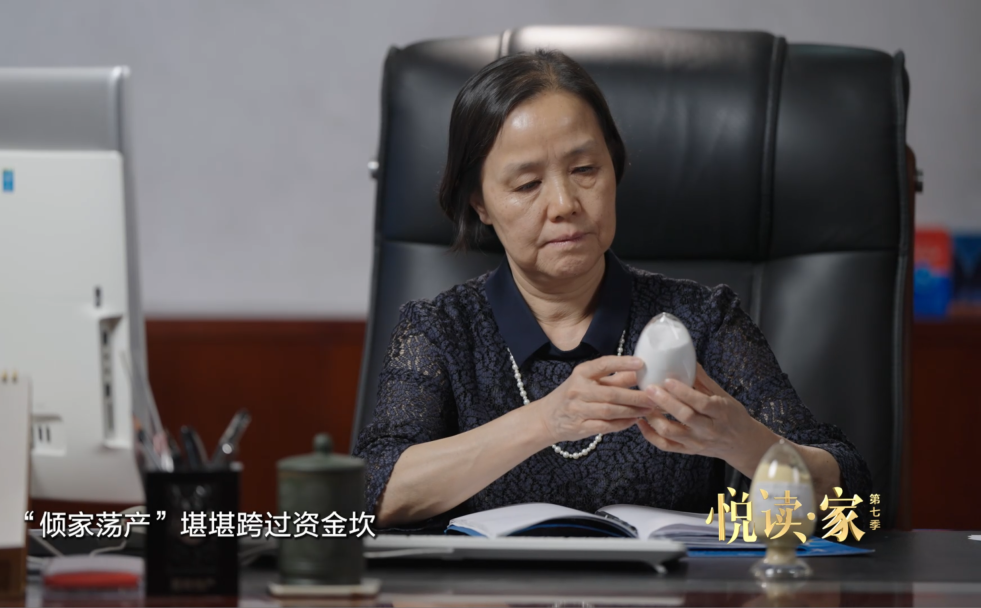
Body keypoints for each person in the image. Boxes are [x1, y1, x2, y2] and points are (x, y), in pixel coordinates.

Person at [353, 49, 871, 530]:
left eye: (585, 170)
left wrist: (747, 442)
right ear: (480, 204)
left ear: (614, 168)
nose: (564, 204)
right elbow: (367, 491)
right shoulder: (440, 330)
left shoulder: (702, 319)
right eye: (527, 184)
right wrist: (546, 420)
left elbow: (855, 495)